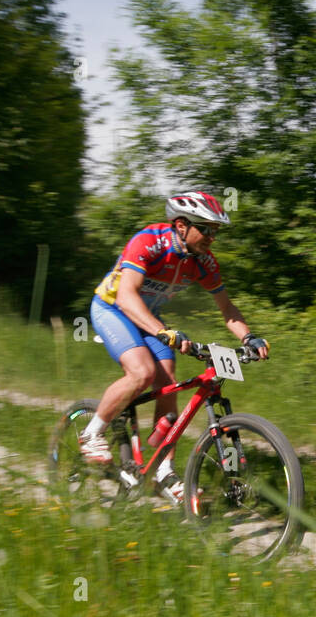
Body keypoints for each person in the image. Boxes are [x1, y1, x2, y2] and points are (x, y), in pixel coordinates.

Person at [80, 192, 268, 502]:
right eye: (206, 229)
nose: (212, 237)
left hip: (148, 316)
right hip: (112, 308)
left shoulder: (204, 262)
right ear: (181, 225)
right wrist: (163, 332)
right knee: (141, 372)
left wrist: (249, 338)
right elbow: (127, 296)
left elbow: (227, 308)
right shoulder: (150, 241)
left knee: (168, 381)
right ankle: (91, 434)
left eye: (215, 230)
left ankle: (164, 471)